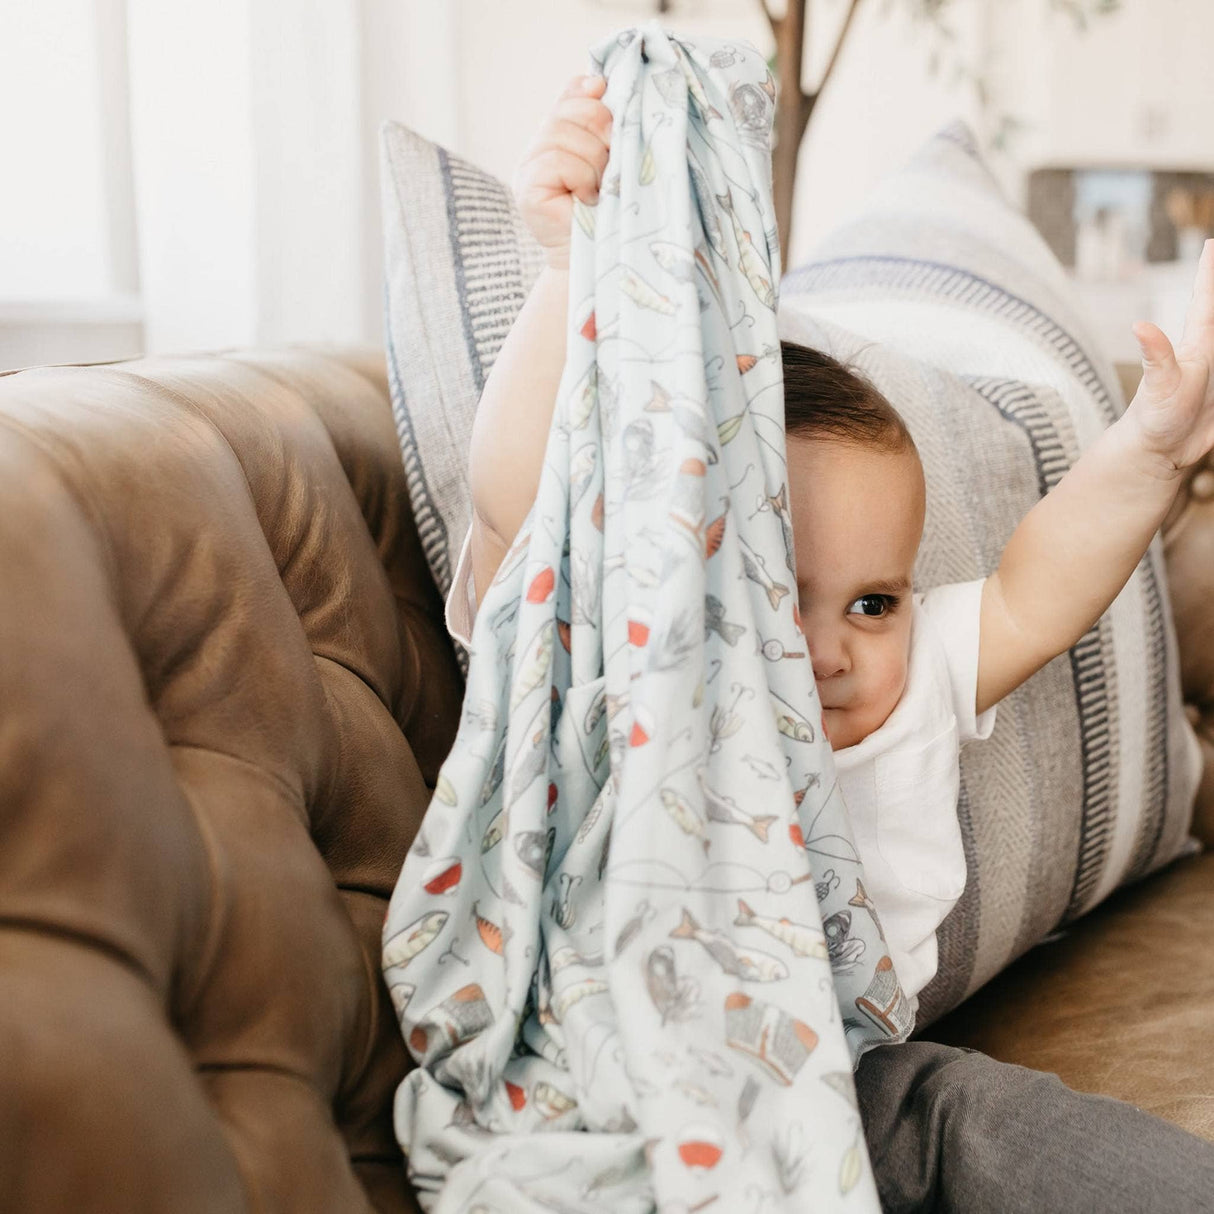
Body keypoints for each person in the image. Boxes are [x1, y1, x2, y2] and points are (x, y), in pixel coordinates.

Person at [444, 72, 1214, 1211]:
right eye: (771, 593)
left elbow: (1033, 586)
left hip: (837, 1088)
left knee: (983, 1114)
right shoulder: (635, 667)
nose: (832, 648)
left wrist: (1153, 450)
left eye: (871, 602)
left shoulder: (905, 690)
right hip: (614, 1085)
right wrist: (571, 268)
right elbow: (519, 497)